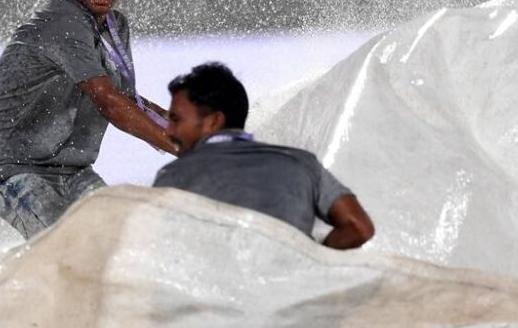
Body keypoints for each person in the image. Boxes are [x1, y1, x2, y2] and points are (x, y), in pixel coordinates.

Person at [0, 0, 177, 238]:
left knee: (121, 242)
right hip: (11, 167)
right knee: (68, 248)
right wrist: (186, 148)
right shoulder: (61, 20)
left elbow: (125, 99)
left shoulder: (115, 25)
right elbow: (108, 102)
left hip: (72, 168)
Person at [153, 62, 375, 250]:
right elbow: (359, 228)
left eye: (176, 120)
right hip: (291, 296)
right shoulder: (302, 163)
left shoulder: (175, 176)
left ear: (213, 121)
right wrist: (310, 258)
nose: (169, 131)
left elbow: (159, 249)